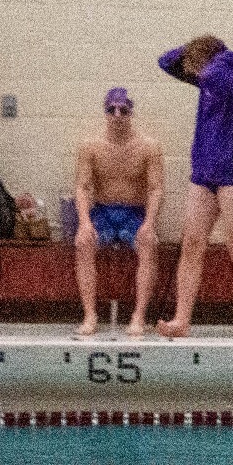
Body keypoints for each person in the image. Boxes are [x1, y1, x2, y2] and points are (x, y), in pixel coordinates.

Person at [156, 35, 233, 338]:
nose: (195, 76)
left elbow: (213, 74)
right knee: (192, 244)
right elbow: (166, 61)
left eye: (199, 69)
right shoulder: (210, 80)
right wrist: (204, 52)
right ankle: (182, 320)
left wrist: (228, 55)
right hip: (204, 174)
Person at [74, 87, 165, 337]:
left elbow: (156, 189)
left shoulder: (148, 147)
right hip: (102, 211)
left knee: (148, 244)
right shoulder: (91, 146)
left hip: (133, 213)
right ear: (105, 112)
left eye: (123, 110)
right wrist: (84, 223)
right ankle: (90, 314)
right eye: (111, 110)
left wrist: (149, 223)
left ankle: (138, 315)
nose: (117, 115)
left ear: (130, 112)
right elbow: (81, 188)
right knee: (83, 244)